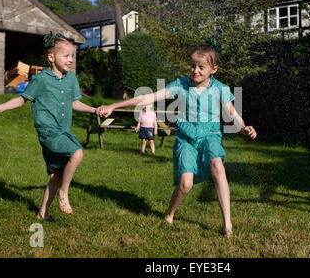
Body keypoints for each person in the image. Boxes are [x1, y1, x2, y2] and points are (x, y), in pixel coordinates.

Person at [98, 42, 257, 238]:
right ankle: (169, 214)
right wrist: (115, 105)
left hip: (210, 136)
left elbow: (232, 114)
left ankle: (227, 225)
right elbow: (148, 98)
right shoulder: (180, 85)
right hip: (186, 139)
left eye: (201, 67)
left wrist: (244, 127)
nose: (195, 70)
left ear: (213, 69)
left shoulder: (221, 89)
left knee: (218, 166)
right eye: (192, 65)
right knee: (185, 184)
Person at [0, 32, 100, 221]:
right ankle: (64, 193)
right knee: (77, 153)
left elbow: (75, 104)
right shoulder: (40, 79)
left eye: (72, 56)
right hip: (48, 132)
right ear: (51, 57)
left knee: (56, 175)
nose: (70, 60)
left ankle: (42, 212)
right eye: (66, 56)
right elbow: (21, 99)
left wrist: (95, 110)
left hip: (63, 131)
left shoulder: (71, 79)